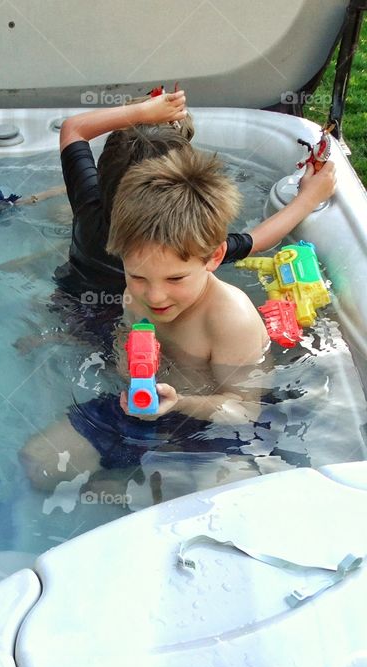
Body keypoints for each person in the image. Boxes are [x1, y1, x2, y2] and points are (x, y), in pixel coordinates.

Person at [20, 146, 274, 493]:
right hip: (145, 406)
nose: (154, 296)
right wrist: (123, 351)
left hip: (210, 429)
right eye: (138, 276)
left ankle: (127, 488)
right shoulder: (134, 295)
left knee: (216, 497)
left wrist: (180, 403)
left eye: (175, 279)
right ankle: (128, 481)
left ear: (214, 257)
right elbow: (127, 332)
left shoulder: (230, 319)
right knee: (39, 465)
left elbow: (246, 411)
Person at [10, 89, 337, 353]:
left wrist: (141, 113)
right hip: (135, 330)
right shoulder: (185, 241)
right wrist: (308, 199)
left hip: (68, 303)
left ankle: (58, 334)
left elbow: (73, 129)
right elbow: (256, 240)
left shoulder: (87, 203)